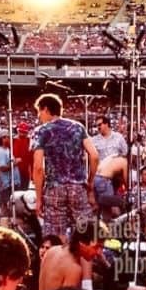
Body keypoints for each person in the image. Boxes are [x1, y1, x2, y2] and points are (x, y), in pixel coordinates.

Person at [31, 93, 98, 240]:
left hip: (55, 188)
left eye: (39, 111)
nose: (38, 116)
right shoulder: (78, 127)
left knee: (56, 235)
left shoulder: (41, 131)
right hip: (77, 187)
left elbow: (38, 167)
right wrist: (90, 182)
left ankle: (60, 254)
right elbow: (94, 156)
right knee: (85, 232)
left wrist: (38, 198)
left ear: (46, 109)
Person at [38, 220, 102, 290]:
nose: (99, 253)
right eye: (96, 247)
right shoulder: (74, 269)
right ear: (82, 244)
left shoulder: (52, 250)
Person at [91, 115, 128, 220]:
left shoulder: (118, 137)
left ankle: (116, 220)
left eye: (100, 124)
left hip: (116, 176)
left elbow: (125, 154)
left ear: (107, 124)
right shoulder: (94, 140)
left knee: (113, 203)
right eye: (96, 125)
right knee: (105, 205)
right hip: (102, 176)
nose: (98, 127)